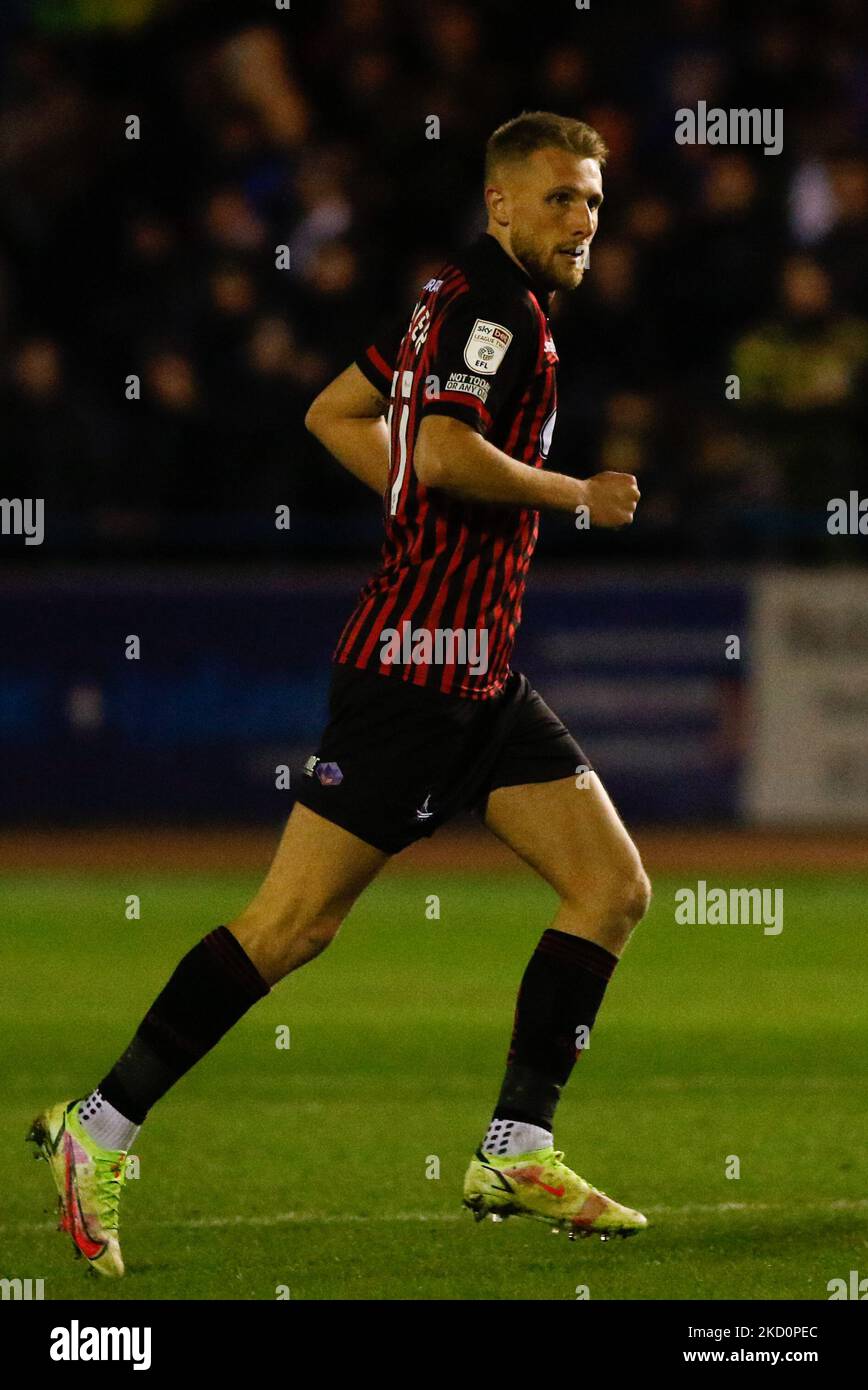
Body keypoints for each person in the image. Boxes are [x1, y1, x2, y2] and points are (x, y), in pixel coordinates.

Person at [29, 111, 651, 1277]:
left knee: (610, 886)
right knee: (291, 925)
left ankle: (516, 1145)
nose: (583, 221)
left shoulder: (445, 296)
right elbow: (455, 451)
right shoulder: (491, 310)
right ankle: (96, 1127)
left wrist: (418, 489)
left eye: (594, 201)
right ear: (502, 204)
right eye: (561, 198)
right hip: (412, 677)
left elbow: (336, 414)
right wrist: (572, 494)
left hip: (477, 673)